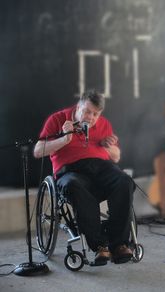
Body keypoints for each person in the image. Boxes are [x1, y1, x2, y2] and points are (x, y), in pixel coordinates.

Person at [34, 90, 135, 264]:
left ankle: (119, 244)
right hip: (70, 171)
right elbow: (37, 151)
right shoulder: (58, 119)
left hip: (101, 168)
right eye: (87, 111)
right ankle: (100, 246)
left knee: (125, 181)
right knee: (75, 185)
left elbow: (116, 157)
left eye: (96, 114)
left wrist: (107, 147)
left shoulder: (103, 124)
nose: (91, 117)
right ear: (78, 106)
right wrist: (64, 139)